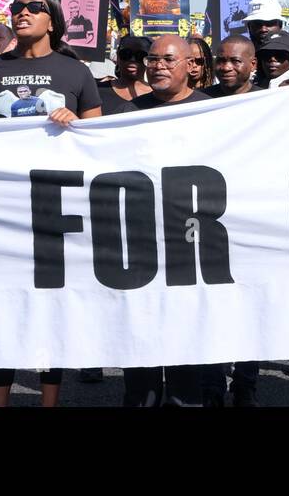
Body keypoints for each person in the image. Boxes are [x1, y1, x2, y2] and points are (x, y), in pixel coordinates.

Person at [0, 0, 101, 406]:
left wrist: (75, 124)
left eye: (34, 7)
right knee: (3, 305)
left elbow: (99, 139)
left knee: (50, 305)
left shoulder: (77, 73)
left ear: (52, 20)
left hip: (55, 205)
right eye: (17, 8)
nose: (22, 13)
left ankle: (48, 401)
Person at [107, 35, 213, 405]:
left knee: (185, 341)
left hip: (191, 244)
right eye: (152, 59)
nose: (158, 66)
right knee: (141, 339)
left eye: (168, 60)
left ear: (190, 65)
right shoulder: (126, 114)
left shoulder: (213, 112)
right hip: (140, 244)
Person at [98, 35, 153, 113]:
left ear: (148, 59)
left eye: (140, 55)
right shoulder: (97, 91)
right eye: (126, 54)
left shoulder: (159, 95)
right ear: (117, 56)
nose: (132, 59)